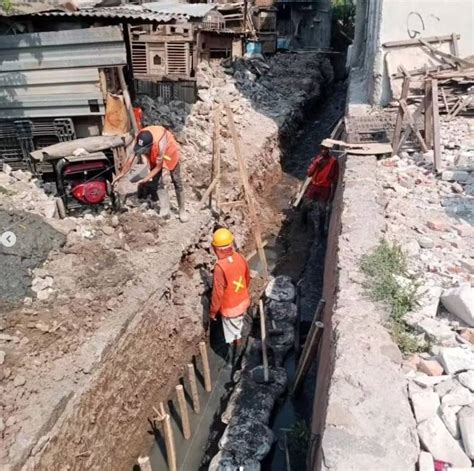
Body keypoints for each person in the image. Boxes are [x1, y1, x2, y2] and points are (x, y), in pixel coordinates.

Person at [113, 126, 188, 222]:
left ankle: (182, 210)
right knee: (157, 181)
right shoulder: (140, 137)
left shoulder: (161, 144)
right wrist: (122, 173)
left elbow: (158, 167)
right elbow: (131, 158)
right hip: (153, 152)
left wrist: (146, 178)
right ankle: (165, 209)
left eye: (143, 150)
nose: (141, 153)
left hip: (169, 152)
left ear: (150, 146)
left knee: (176, 180)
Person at [210, 228, 251, 358]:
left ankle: (236, 356)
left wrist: (213, 312)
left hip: (230, 309)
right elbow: (247, 278)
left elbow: (218, 293)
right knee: (238, 326)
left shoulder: (220, 267)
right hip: (243, 301)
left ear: (215, 248)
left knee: (232, 335)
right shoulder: (239, 257)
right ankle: (239, 345)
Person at [302, 139, 339, 232]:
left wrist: (332, 196)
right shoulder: (317, 159)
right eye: (322, 148)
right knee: (305, 205)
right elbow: (309, 173)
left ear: (329, 150)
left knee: (322, 210)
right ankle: (303, 225)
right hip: (314, 186)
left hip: (325, 189)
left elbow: (335, 180)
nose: (323, 151)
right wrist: (315, 164)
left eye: (325, 149)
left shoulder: (334, 162)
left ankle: (321, 230)